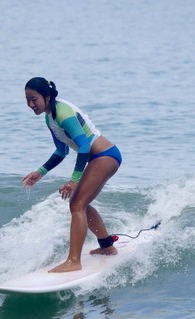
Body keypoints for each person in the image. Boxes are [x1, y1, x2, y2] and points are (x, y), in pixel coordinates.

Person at [21, 77, 123, 273]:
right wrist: (40, 172)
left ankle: (74, 261)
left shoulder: (63, 113)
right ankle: (107, 247)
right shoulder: (49, 117)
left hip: (105, 155)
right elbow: (62, 151)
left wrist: (74, 180)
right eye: (27, 100)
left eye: (34, 99)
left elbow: (84, 145)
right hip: (97, 158)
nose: (31, 104)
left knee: (77, 204)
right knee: (79, 203)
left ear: (47, 96)